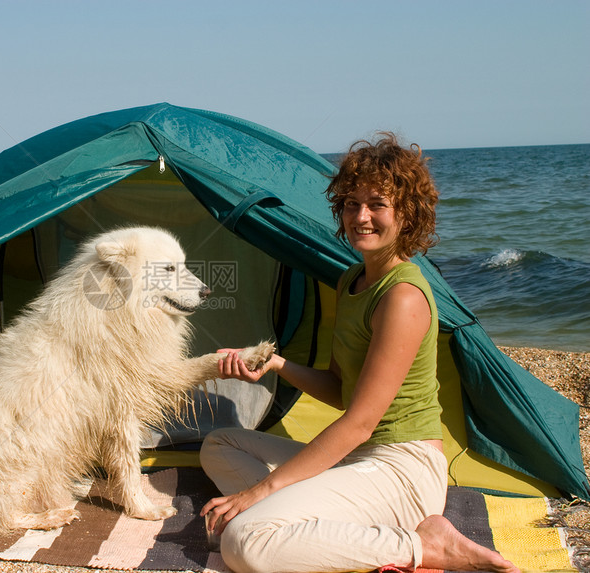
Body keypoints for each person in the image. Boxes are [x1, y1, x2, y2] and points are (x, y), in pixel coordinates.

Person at [199, 132, 519, 573]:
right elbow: (338, 388)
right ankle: (300, 522)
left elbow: (361, 421)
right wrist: (275, 363)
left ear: (407, 215)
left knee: (243, 542)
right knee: (219, 443)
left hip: (402, 467)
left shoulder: (402, 296)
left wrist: (262, 490)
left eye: (377, 204)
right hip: (358, 458)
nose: (361, 216)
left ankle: (425, 546)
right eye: (351, 203)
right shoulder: (353, 280)